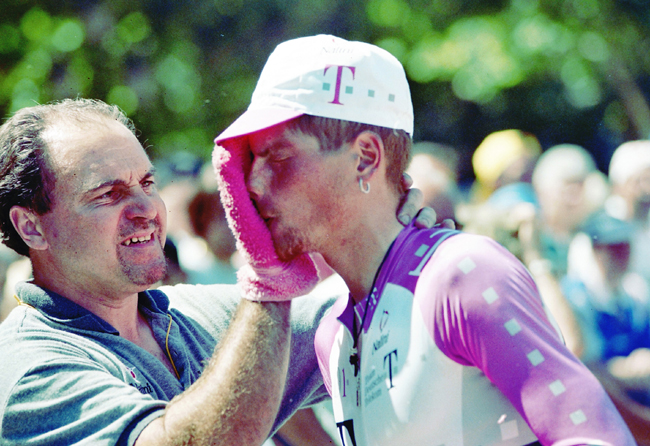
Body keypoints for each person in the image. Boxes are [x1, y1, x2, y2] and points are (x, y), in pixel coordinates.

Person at [213, 34, 635, 446]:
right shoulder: (331, 333)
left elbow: (596, 436)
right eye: (251, 159)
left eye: (280, 157)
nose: (251, 182)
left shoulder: (462, 274)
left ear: (365, 157)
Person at [0, 97, 433, 445]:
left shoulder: (189, 312)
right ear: (31, 227)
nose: (147, 209)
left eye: (147, 185)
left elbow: (368, 317)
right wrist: (270, 281)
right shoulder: (27, 369)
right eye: (109, 194)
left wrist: (397, 248)